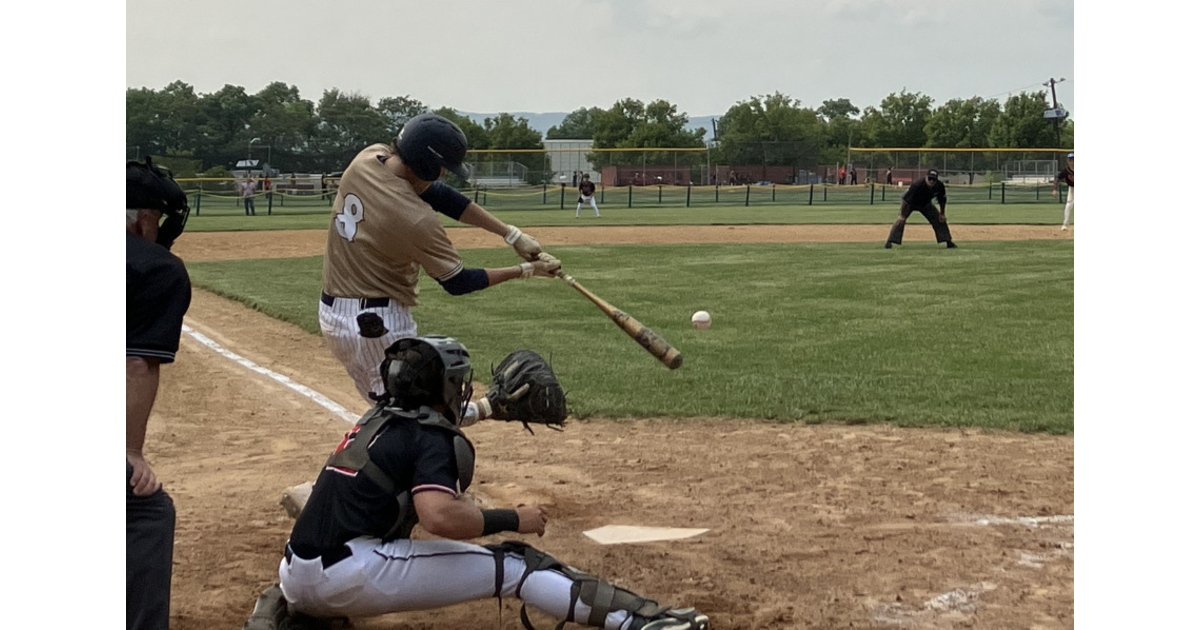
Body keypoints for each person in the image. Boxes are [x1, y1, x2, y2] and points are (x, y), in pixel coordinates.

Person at [272, 335, 710, 630]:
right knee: (518, 565)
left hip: (295, 576)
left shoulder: (375, 420)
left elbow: (430, 431)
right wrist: (514, 518)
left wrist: (489, 408)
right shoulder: (432, 439)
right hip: (350, 576)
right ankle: (642, 621)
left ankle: (289, 614)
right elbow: (438, 517)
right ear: (444, 387)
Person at [320, 112, 561, 410]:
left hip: (334, 313)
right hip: (377, 324)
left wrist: (511, 234)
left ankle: (483, 409)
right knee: (417, 414)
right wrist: (526, 270)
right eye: (441, 167)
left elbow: (439, 195)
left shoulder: (369, 158)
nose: (444, 174)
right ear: (424, 164)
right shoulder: (415, 220)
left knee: (397, 408)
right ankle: (490, 407)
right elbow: (458, 282)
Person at [127, 157, 193, 630]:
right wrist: (129, 452)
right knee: (145, 510)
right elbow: (136, 364)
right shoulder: (156, 269)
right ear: (144, 219)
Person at [885, 169, 957, 249]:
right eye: (930, 178)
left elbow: (942, 200)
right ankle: (889, 242)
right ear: (926, 177)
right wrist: (902, 215)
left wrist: (942, 213)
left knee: (939, 219)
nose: (931, 181)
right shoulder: (917, 185)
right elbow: (905, 201)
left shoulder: (939, 186)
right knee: (900, 221)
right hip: (911, 204)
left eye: (934, 179)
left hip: (925, 204)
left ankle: (948, 242)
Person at [1053, 152, 1074, 230]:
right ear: (1068, 160)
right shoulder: (1065, 171)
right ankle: (1065, 224)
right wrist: (1054, 189)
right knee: (1068, 205)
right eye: (1070, 159)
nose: (1072, 161)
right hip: (1072, 189)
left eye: (1073, 159)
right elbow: (1057, 180)